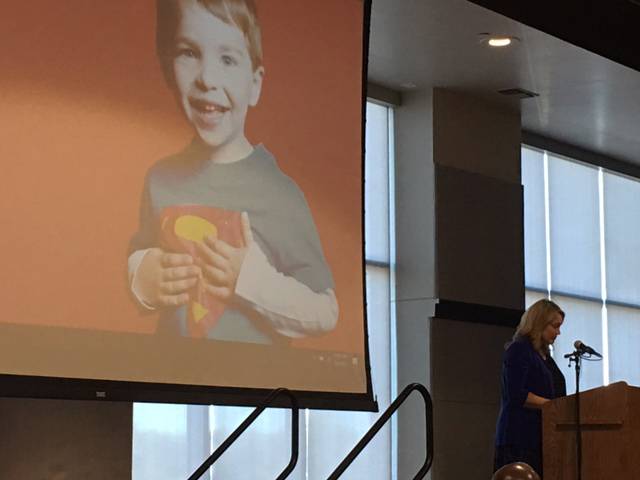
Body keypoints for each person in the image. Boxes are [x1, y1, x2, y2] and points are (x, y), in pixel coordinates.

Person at [127, 0, 338, 343]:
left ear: (255, 84)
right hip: (171, 370)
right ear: (168, 69)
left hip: (257, 375)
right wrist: (143, 277)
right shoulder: (159, 179)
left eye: (227, 59)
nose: (207, 78)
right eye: (189, 53)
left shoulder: (279, 193)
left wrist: (250, 280)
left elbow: (324, 310)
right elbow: (140, 253)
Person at [494, 299, 567, 478]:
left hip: (542, 437)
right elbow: (517, 394)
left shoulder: (545, 357)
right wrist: (553, 406)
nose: (558, 332)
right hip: (519, 438)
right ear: (540, 323)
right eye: (555, 326)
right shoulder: (519, 350)